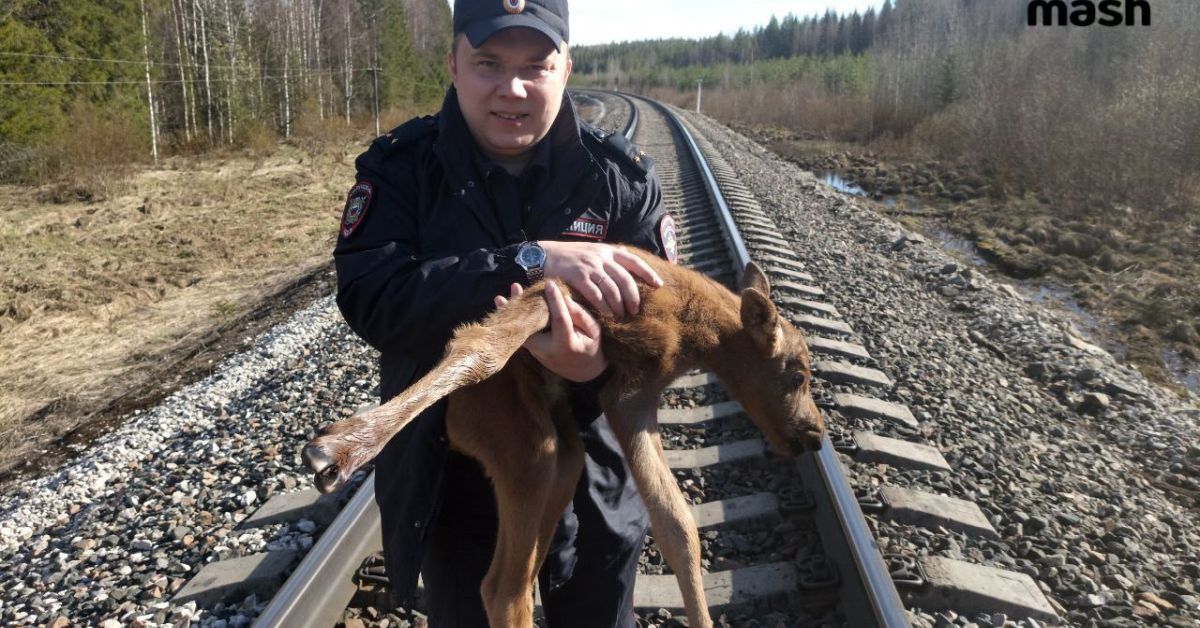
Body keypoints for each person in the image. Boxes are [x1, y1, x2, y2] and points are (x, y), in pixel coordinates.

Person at [332, 0, 680, 626]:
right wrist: (529, 260)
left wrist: (594, 368)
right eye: (488, 63)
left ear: (566, 69)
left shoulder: (621, 181)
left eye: (536, 66)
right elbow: (373, 300)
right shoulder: (402, 172)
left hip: (593, 475)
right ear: (454, 65)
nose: (512, 89)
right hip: (454, 473)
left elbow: (664, 335)